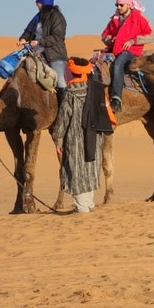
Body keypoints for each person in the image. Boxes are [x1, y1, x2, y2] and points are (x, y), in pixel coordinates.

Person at [51, 58, 105, 213]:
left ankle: (82, 209)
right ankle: (87, 205)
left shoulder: (71, 92)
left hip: (75, 138)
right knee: (90, 168)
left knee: (76, 170)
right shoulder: (96, 89)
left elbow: (64, 117)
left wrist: (59, 139)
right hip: (95, 137)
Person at [101, 0, 154, 115]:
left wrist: (134, 40)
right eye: (117, 5)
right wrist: (109, 39)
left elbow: (153, 35)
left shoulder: (139, 18)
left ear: (128, 5)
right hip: (114, 51)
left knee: (118, 65)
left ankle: (117, 99)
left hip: (131, 52)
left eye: (121, 5)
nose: (118, 7)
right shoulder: (115, 20)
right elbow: (104, 35)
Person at [17, 0, 68, 97]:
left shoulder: (57, 17)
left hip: (54, 53)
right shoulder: (38, 17)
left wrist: (40, 41)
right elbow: (29, 31)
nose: (37, 5)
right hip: (35, 51)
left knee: (60, 81)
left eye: (38, 2)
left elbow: (58, 37)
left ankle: (64, 108)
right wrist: (23, 39)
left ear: (43, 3)